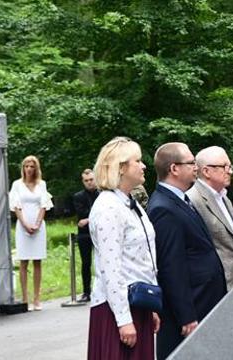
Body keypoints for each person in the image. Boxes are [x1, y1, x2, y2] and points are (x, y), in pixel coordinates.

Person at [148, 142, 227, 359]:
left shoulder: (179, 200)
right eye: (191, 162)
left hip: (204, 300)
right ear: (174, 168)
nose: (196, 167)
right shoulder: (163, 208)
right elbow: (171, 267)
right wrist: (186, 316)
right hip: (192, 307)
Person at [86, 137, 159, 359]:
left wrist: (152, 303)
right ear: (121, 168)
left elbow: (144, 256)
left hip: (138, 303)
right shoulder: (109, 207)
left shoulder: (129, 203)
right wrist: (123, 319)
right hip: (116, 309)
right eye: (137, 160)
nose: (143, 165)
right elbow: (111, 269)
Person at [186, 146, 233, 291]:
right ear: (206, 171)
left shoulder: (224, 197)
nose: (229, 171)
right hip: (217, 288)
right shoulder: (192, 200)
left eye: (230, 166)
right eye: (224, 167)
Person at [9, 155, 53, 311]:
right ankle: (25, 298)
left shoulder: (42, 184)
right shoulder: (17, 185)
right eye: (26, 166)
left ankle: (37, 298)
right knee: (23, 261)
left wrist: (37, 223)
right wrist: (25, 224)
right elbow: (16, 206)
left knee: (37, 261)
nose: (29, 169)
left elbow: (44, 205)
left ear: (36, 168)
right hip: (23, 226)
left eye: (31, 166)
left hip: (38, 226)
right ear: (23, 168)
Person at [73, 169, 99, 303]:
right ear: (83, 181)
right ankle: (86, 291)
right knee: (86, 263)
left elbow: (100, 213)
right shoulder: (78, 196)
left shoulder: (102, 194)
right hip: (84, 235)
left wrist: (88, 219)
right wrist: (92, 217)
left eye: (91, 180)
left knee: (102, 262)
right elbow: (81, 213)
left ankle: (102, 289)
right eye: (86, 180)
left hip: (100, 232)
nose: (89, 183)